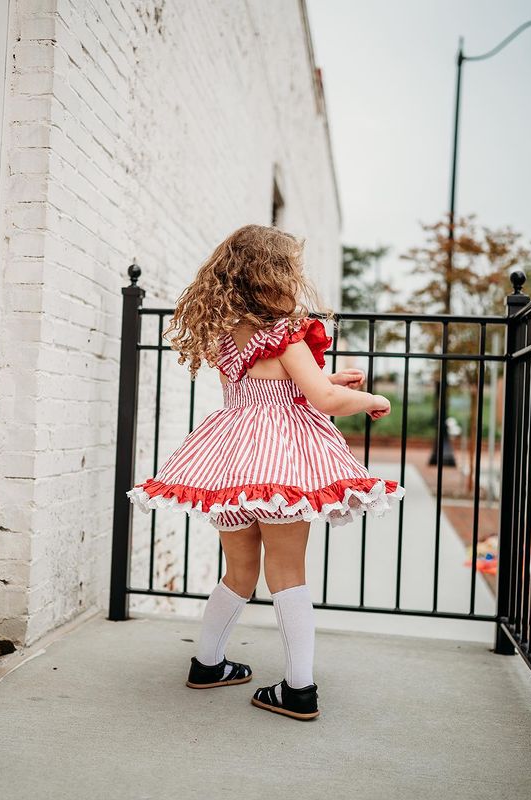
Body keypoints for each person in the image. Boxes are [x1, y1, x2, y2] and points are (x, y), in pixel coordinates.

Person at [127, 224, 405, 721]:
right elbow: (324, 399)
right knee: (288, 571)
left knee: (238, 572)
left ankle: (208, 664)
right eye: (291, 271)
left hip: (230, 457)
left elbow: (271, 385)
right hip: (280, 461)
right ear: (273, 276)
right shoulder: (285, 332)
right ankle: (299, 690)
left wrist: (325, 378)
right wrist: (371, 399)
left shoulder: (227, 332)